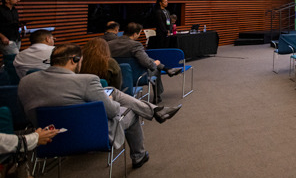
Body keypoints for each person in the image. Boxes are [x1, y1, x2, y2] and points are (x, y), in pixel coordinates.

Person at [18, 44, 181, 169]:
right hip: (90, 134)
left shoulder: (26, 82)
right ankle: (139, 155)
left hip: (45, 136)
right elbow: (113, 111)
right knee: (130, 110)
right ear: (74, 60)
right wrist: (108, 100)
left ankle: (156, 111)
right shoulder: (86, 81)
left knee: (112, 91)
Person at [107, 22, 182, 103]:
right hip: (136, 77)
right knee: (155, 68)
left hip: (115, 76)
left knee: (148, 59)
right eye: (139, 33)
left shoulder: (109, 44)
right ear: (135, 34)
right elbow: (147, 63)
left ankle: (167, 69)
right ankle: (157, 96)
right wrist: (155, 64)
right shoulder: (135, 45)